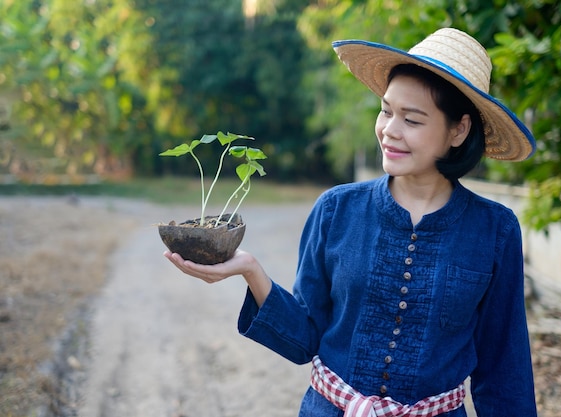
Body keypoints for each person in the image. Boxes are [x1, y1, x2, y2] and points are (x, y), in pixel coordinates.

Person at [164, 27, 538, 417]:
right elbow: (303, 340)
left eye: (412, 120)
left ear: (458, 130)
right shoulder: (336, 210)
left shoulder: (495, 230)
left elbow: (503, 369)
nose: (389, 130)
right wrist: (250, 271)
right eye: (386, 110)